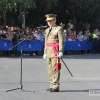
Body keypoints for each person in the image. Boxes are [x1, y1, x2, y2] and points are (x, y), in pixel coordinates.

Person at [43, 14, 64, 92]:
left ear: (55, 20)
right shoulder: (47, 30)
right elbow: (46, 42)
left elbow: (61, 40)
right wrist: (45, 52)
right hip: (48, 51)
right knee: (50, 69)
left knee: (55, 69)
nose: (49, 22)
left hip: (55, 51)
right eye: (48, 21)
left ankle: (56, 86)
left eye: (50, 20)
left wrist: (61, 51)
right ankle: (51, 85)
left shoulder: (58, 29)